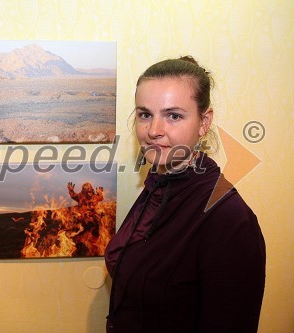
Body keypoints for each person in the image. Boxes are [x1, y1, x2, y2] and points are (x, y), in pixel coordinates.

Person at [105, 56, 265, 332]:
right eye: (145, 114)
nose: (154, 131)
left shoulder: (229, 219)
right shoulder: (157, 185)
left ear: (204, 122)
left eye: (173, 116)